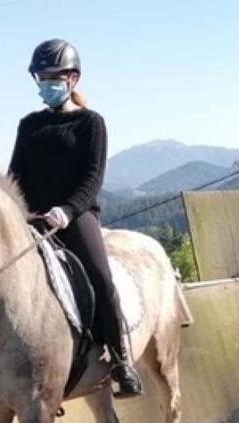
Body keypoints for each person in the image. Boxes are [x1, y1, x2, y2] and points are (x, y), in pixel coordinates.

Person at [8, 39, 142, 398]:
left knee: (100, 277)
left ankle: (120, 359)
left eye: (55, 76)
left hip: (74, 215)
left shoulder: (90, 123)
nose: (47, 83)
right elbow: (14, 176)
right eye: (42, 77)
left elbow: (92, 178)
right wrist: (16, 213)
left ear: (73, 78)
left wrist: (67, 211)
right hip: (32, 219)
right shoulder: (29, 125)